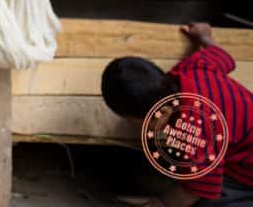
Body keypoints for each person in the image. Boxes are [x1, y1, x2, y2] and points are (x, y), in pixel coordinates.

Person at [102, 22, 253, 207]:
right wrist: (204, 37)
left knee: (208, 201)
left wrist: (162, 203)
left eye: (136, 122)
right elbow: (224, 57)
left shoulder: (193, 132)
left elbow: (200, 187)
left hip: (247, 174)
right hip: (239, 142)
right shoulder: (191, 68)